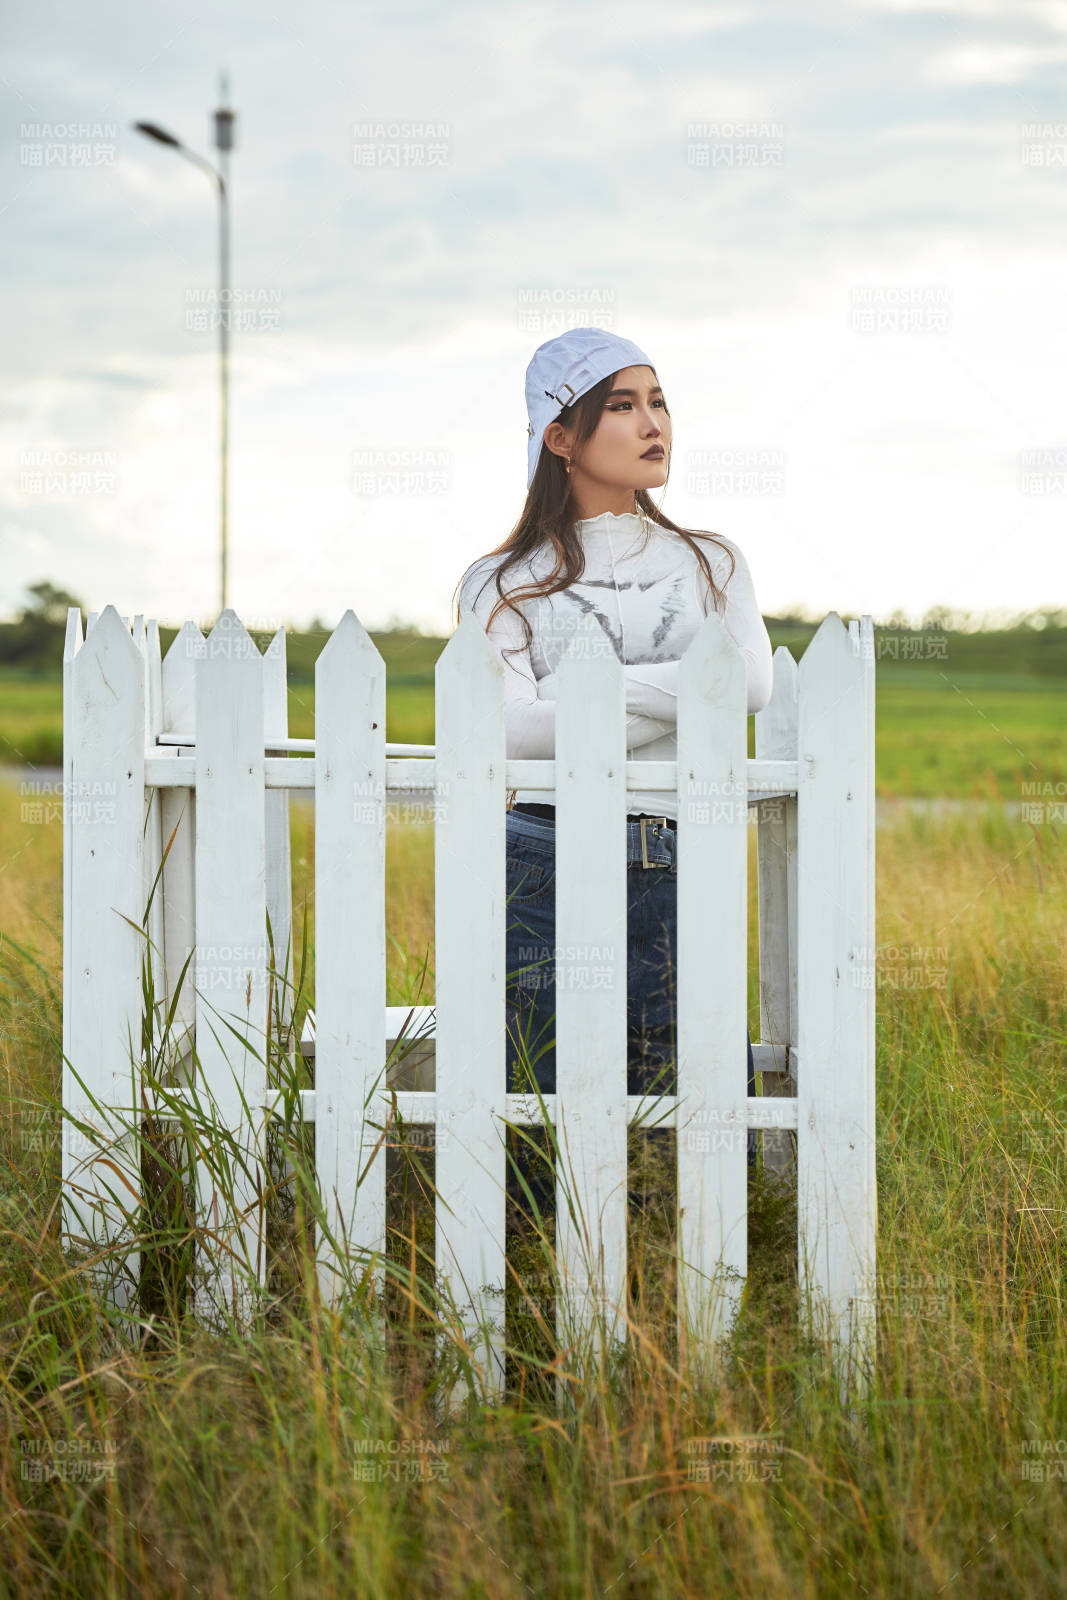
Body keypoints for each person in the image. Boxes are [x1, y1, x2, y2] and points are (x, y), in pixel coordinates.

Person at [452, 327, 774, 1241]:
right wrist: (674, 693)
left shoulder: (709, 561)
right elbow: (510, 727)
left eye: (659, 401)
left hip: (669, 854)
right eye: (622, 405)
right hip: (540, 862)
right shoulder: (502, 580)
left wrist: (584, 697)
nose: (652, 424)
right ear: (560, 435)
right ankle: (527, 1268)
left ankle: (700, 1263)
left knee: (691, 1083)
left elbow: (745, 687)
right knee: (538, 1081)